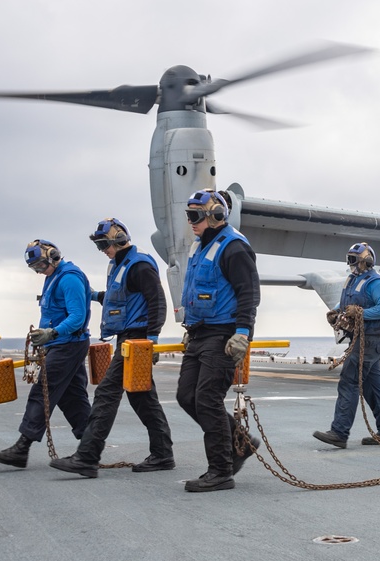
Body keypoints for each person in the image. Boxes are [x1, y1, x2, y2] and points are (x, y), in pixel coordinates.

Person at [50, 218, 174, 478]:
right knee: (142, 397)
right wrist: (94, 295)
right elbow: (120, 298)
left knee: (106, 393)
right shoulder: (120, 265)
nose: (103, 250)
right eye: (100, 246)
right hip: (128, 339)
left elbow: (157, 301)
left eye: (105, 244)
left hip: (137, 340)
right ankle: (163, 453)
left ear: (119, 239)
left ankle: (87, 457)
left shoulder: (139, 265)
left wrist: (151, 341)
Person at [176, 189, 261, 493]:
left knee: (207, 400)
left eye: (195, 216)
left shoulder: (233, 247)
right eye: (189, 216)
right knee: (187, 396)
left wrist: (242, 333)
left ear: (216, 215)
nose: (191, 222)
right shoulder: (200, 246)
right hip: (200, 333)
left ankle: (221, 471)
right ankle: (241, 442)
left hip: (223, 335)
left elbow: (249, 293)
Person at [0, 240, 94, 469]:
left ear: (54, 256)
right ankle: (89, 451)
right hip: (62, 344)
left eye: (41, 265)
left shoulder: (68, 277)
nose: (39, 270)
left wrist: (52, 332)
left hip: (67, 345)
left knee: (42, 391)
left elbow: (77, 316)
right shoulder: (53, 277)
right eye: (35, 268)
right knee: (72, 397)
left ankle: (21, 448)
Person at [313, 242, 380, 449]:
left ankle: (339, 432)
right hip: (361, 338)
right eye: (349, 259)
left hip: (371, 338)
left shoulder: (377, 283)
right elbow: (346, 303)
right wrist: (336, 311)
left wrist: (361, 314)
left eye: (354, 260)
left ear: (366, 261)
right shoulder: (353, 280)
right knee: (373, 386)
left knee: (349, 381)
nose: (351, 264)